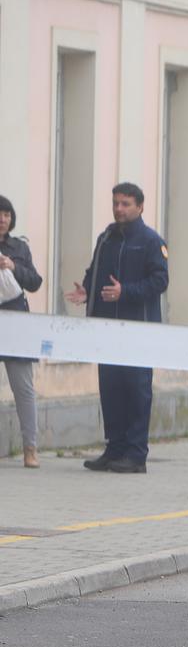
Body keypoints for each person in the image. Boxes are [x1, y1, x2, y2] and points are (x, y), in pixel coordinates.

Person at [64, 183, 169, 473]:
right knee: (110, 388)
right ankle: (114, 449)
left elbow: (160, 282)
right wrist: (88, 290)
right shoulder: (107, 238)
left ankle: (136, 455)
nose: (119, 209)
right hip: (107, 329)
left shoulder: (150, 241)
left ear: (140, 207)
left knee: (136, 389)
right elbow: (94, 271)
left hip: (139, 329)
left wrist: (127, 292)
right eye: (116, 203)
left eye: (125, 204)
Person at [0, 194, 43, 469]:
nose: (3, 219)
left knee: (24, 388)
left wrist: (13, 267)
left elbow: (35, 282)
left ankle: (31, 448)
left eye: (6, 214)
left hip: (15, 320)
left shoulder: (19, 248)